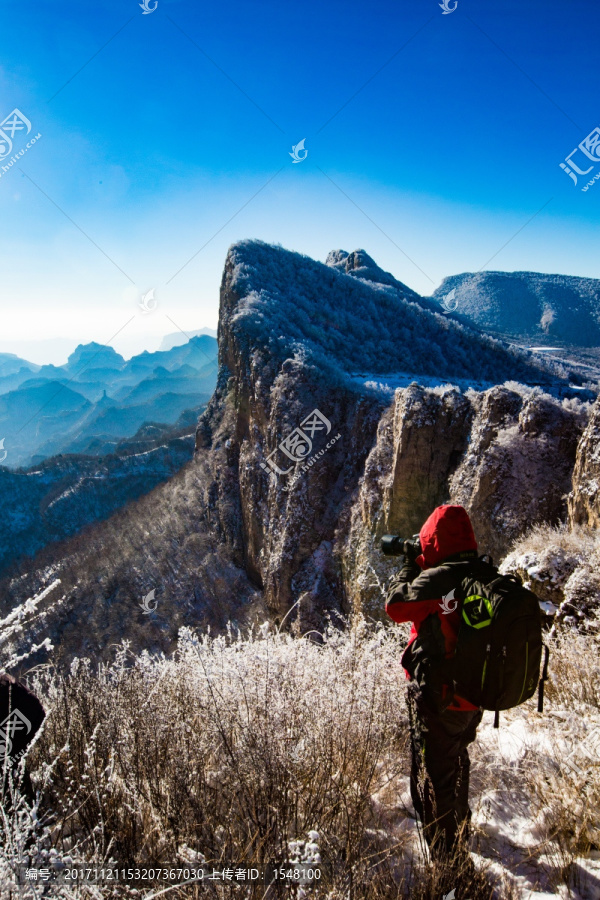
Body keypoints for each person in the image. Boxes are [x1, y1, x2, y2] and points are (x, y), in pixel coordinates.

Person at [385, 504, 483, 866]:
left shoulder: (437, 578)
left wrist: (410, 566)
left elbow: (396, 606)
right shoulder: (482, 571)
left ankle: (450, 865)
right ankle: (461, 830)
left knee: (430, 779)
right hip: (474, 695)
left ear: (434, 541)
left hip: (439, 698)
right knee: (457, 759)